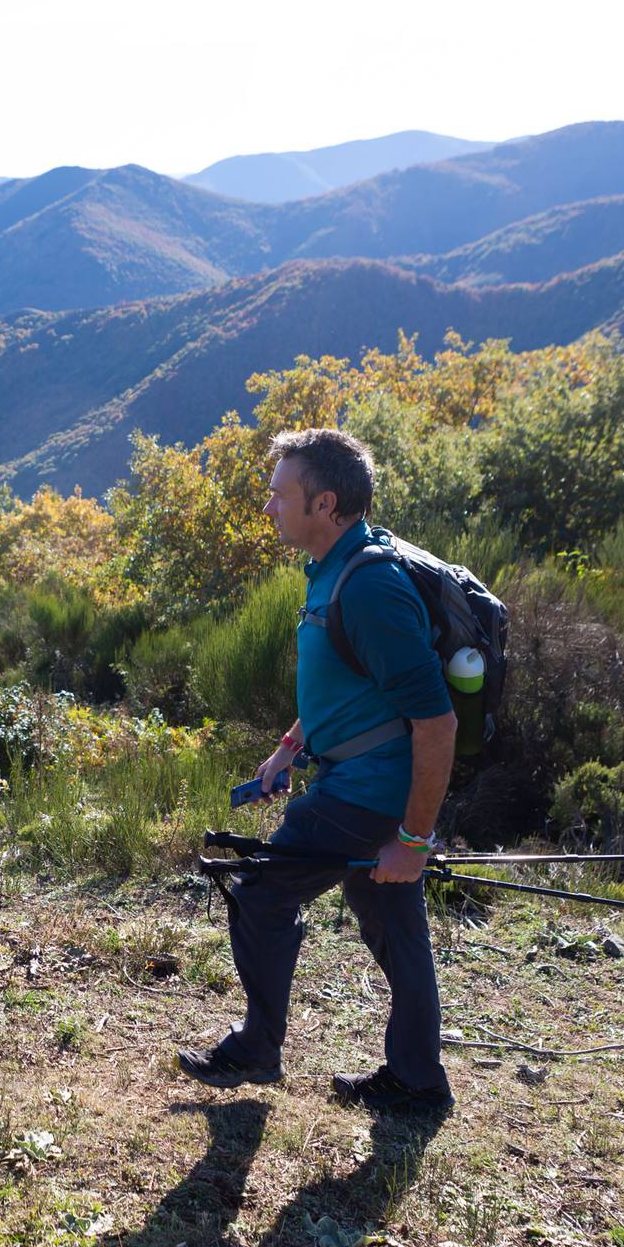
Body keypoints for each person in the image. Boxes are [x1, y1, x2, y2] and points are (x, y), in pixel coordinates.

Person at [178, 428, 457, 1114]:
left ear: (324, 502)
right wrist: (289, 746)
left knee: (260, 894)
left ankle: (255, 1049)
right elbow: (353, 686)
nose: (268, 507)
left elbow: (435, 721)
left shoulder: (369, 587)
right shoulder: (336, 568)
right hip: (354, 777)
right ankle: (417, 1080)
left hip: (365, 790)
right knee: (390, 919)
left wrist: (414, 840)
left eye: (279, 495)